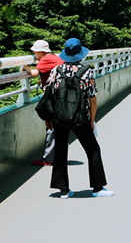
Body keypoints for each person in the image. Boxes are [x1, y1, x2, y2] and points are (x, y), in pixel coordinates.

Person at [48, 38, 114, 198]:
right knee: (93, 149)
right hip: (80, 117)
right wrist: (91, 120)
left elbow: (49, 95)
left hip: (60, 117)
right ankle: (98, 188)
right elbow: (92, 98)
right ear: (80, 54)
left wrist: (48, 119)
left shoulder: (56, 71)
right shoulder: (86, 72)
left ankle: (63, 190)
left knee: (61, 151)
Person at [22, 40, 64, 166]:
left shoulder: (45, 60)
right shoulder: (56, 57)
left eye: (35, 51)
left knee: (51, 126)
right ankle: (57, 156)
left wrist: (24, 66)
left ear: (40, 51)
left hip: (54, 96)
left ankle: (48, 159)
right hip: (62, 95)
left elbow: (34, 73)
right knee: (59, 126)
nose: (34, 54)